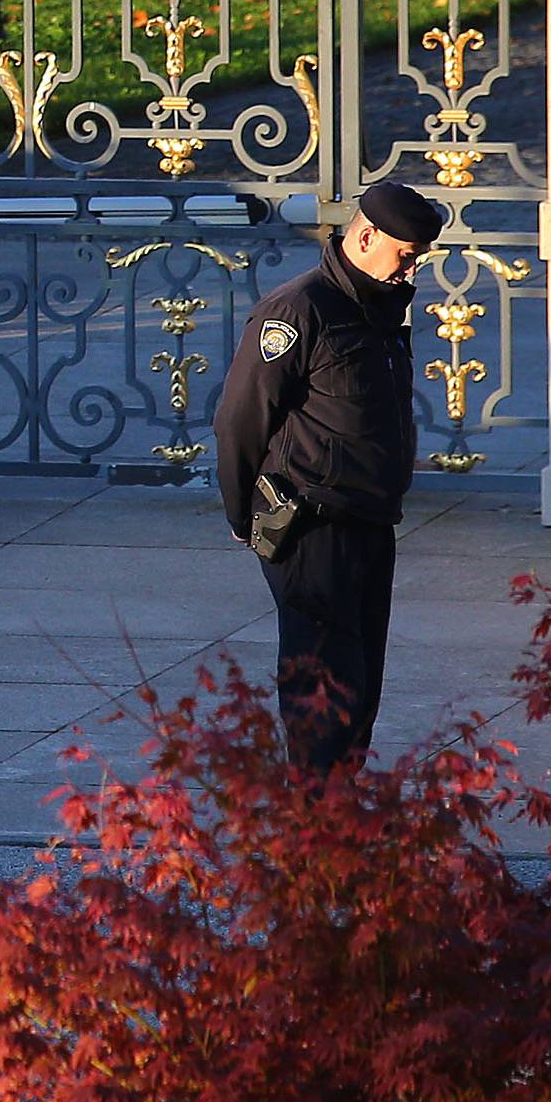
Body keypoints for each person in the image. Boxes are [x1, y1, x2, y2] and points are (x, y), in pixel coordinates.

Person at [214, 179, 446, 773]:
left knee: (361, 686)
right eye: (405, 254)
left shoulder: (379, 311)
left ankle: (343, 825)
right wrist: (243, 516)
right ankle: (314, 833)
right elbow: (241, 418)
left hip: (370, 525)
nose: (409, 269)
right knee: (322, 690)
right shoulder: (299, 310)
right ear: (367, 236)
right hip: (311, 528)